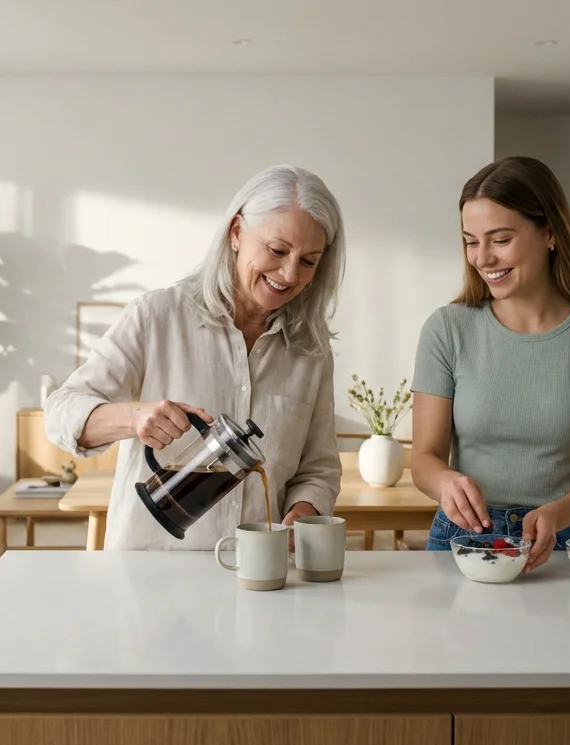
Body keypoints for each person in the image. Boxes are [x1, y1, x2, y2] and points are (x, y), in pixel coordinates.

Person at [44, 165, 345, 550]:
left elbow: (318, 469)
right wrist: (135, 418)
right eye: (277, 250)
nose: (289, 274)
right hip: (152, 571)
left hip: (256, 574)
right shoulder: (156, 317)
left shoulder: (311, 352)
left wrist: (304, 510)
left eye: (308, 261)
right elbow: (61, 412)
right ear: (236, 233)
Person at [410, 156, 570, 572]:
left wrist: (556, 513)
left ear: (550, 233)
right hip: (462, 541)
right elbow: (425, 458)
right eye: (470, 240)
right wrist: (445, 481)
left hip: (565, 540)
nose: (482, 258)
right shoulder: (447, 329)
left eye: (500, 240)